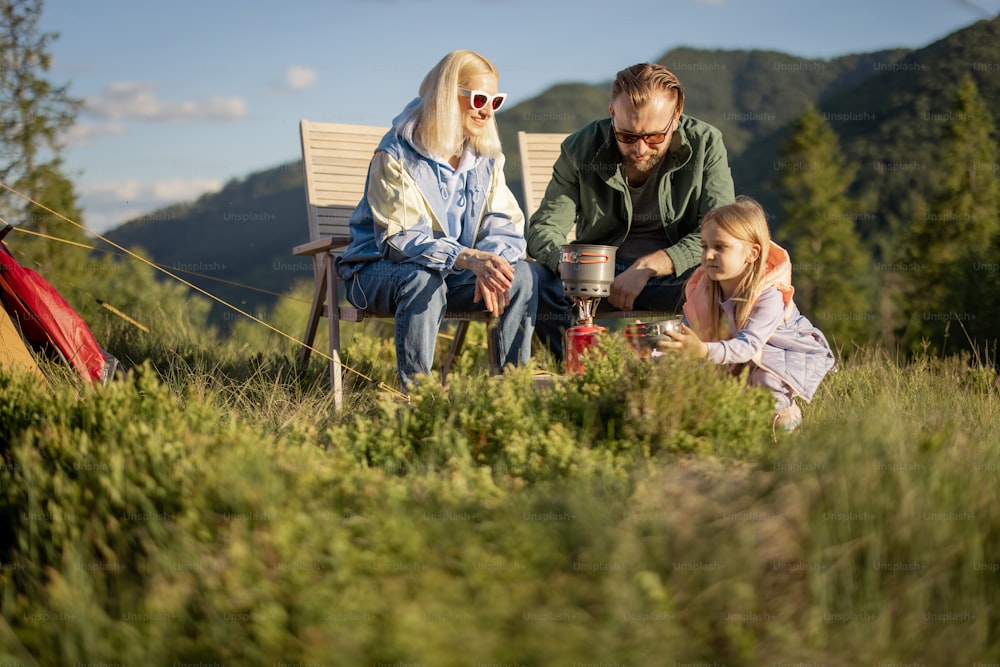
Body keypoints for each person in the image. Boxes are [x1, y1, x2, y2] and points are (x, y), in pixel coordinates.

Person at [335, 50, 536, 390]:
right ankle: (418, 396)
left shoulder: (486, 157)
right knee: (421, 277)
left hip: (452, 274)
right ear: (447, 96)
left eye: (496, 100)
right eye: (480, 98)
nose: (488, 110)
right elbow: (401, 239)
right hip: (376, 272)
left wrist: (493, 261)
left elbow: (504, 220)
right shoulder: (395, 155)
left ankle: (513, 391)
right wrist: (468, 257)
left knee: (520, 275)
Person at [527, 62, 735, 359]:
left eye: (653, 138)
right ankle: (575, 376)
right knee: (536, 279)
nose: (640, 149)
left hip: (679, 278)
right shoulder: (579, 148)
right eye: (626, 136)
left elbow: (721, 229)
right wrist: (572, 267)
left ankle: (721, 376)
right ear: (612, 113)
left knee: (735, 275)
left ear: (675, 117)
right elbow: (542, 229)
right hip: (598, 278)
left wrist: (647, 267)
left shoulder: (706, 143)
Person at [659, 197, 836, 432]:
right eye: (704, 246)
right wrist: (659, 341)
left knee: (764, 381)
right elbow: (689, 329)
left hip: (779, 352)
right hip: (738, 348)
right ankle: (731, 426)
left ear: (752, 254)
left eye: (720, 247)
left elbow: (750, 346)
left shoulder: (769, 295)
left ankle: (784, 422)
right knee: (706, 381)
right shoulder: (705, 289)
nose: (708, 255)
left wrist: (702, 350)